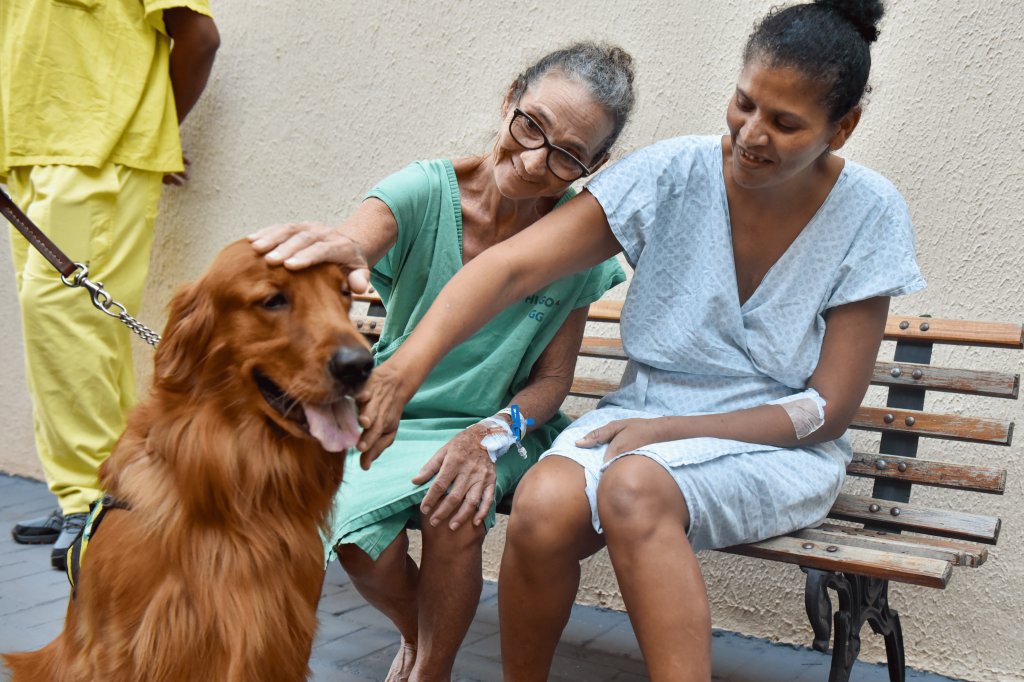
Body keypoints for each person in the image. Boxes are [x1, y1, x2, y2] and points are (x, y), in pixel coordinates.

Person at [321, 1, 925, 680]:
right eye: (744, 103)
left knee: (635, 487)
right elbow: (509, 266)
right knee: (543, 508)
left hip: (773, 442)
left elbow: (828, 409)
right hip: (637, 421)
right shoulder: (672, 173)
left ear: (842, 127)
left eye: (785, 123)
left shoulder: (870, 212)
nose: (751, 135)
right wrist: (402, 372)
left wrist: (665, 429)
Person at [250, 43, 631, 682]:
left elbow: (552, 382)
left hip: (508, 424)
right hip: (399, 405)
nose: (535, 161)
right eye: (530, 125)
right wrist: (342, 248)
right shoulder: (425, 189)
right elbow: (357, 239)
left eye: (567, 156)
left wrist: (490, 434)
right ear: (510, 96)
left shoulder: (577, 239)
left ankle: (433, 671)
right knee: (359, 546)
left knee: (454, 511)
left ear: (596, 164)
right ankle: (418, 635)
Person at [3, 0, 219, 570]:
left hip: (99, 153)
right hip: (27, 155)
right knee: (74, 334)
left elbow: (198, 37)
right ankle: (106, 484)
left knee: (62, 318)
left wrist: (157, 131)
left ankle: (97, 501)